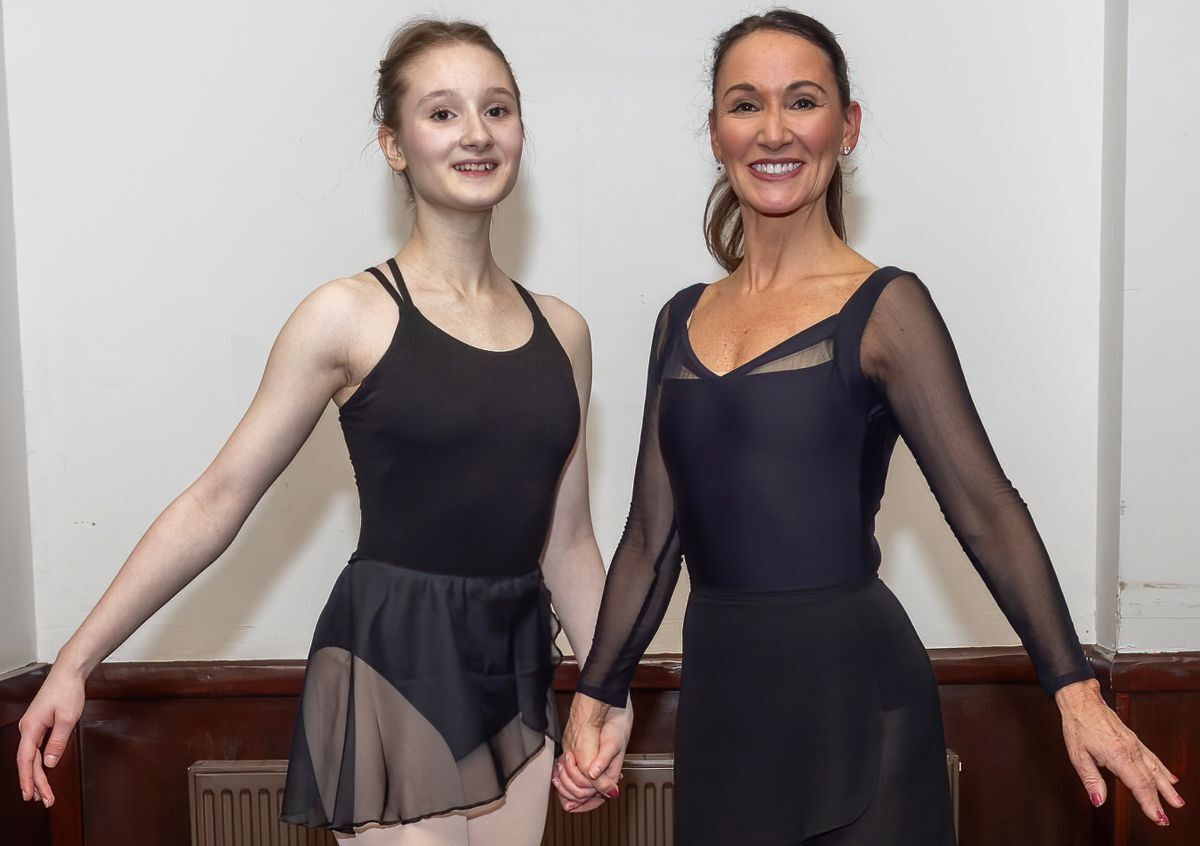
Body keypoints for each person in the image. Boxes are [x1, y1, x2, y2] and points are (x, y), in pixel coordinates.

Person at [555, 9, 1185, 843]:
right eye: (745, 105)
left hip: (861, 708)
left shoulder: (887, 308)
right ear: (714, 133)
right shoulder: (678, 320)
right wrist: (599, 693)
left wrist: (1074, 689)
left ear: (846, 126)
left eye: (803, 101)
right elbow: (649, 534)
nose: (774, 130)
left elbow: (985, 504)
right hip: (723, 717)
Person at [15, 18, 628, 844]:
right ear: (394, 144)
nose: (477, 133)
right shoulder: (346, 316)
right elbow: (218, 498)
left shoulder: (566, 333)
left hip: (512, 668)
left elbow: (568, 544)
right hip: (390, 664)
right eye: (442, 113)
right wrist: (77, 663)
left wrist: (609, 692)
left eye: (498, 108)